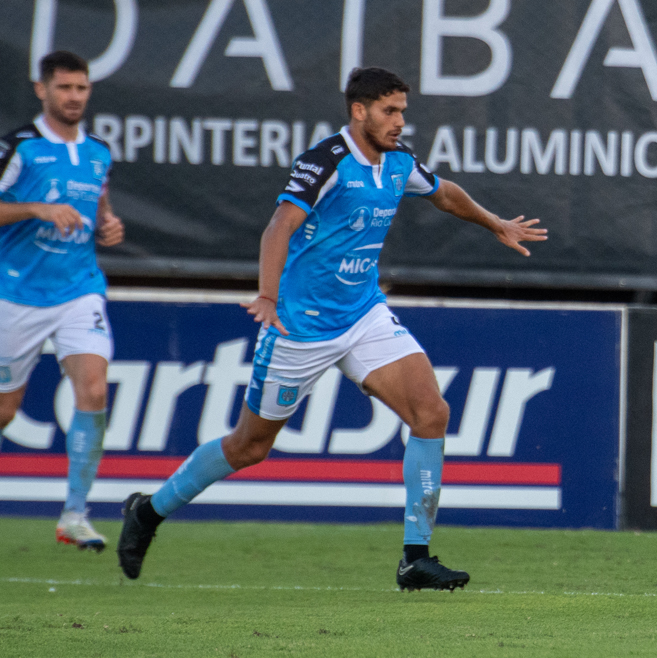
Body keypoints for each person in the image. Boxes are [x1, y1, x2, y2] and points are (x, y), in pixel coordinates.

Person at [116, 67, 547, 589]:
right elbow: (280, 225)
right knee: (250, 446)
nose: (400, 120)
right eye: (390, 111)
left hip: (363, 315)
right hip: (301, 326)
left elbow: (443, 192)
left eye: (403, 110)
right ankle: (149, 511)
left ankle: (415, 557)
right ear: (359, 111)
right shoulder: (325, 163)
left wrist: (495, 222)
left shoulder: (398, 161)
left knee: (431, 412)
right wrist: (269, 296)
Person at [0, 51, 125, 552]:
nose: (74, 97)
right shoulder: (20, 148)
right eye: (64, 88)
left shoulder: (98, 151)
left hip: (79, 289)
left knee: (93, 392)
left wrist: (110, 225)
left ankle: (75, 513)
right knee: (6, 411)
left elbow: (100, 207)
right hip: (16, 293)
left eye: (81, 88)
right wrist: (35, 207)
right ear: (41, 90)